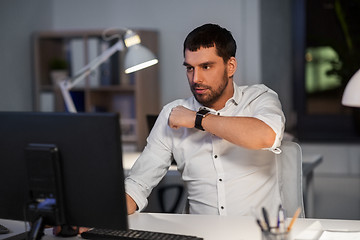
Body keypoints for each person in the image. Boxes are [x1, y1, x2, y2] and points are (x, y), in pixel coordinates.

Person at [125, 23, 285, 217]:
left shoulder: (259, 98)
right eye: (190, 68)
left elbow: (266, 135)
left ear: (230, 66)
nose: (196, 79)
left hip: (258, 233)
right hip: (198, 233)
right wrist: (100, 216)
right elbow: (137, 184)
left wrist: (197, 119)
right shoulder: (172, 113)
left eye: (206, 67)